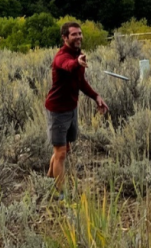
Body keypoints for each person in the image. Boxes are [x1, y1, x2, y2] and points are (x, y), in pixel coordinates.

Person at [45, 21, 108, 183]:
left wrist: (96, 96)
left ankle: (48, 182)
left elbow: (80, 82)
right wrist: (77, 63)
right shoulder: (62, 57)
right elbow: (66, 66)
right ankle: (60, 194)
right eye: (74, 34)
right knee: (60, 153)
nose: (78, 36)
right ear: (65, 37)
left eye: (80, 33)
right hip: (58, 110)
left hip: (71, 108)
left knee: (65, 149)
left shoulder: (77, 54)